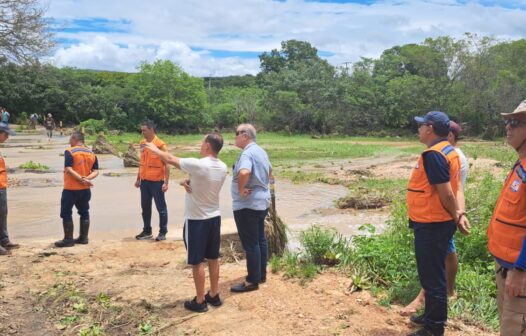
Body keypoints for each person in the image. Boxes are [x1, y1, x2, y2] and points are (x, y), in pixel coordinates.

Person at [145, 133, 227, 313]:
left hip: (197, 220)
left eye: (202, 142)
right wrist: (186, 182)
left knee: (197, 261)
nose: (200, 144)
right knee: (213, 258)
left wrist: (154, 149)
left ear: (207, 145)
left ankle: (199, 301)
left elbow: (170, 158)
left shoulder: (198, 164)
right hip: (214, 217)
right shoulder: (222, 167)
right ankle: (214, 294)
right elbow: (206, 183)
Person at [406, 111, 470, 336]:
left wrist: (457, 215)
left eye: (421, 126)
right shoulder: (448, 151)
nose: (419, 129)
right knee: (431, 274)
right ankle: (430, 316)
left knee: (433, 278)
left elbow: (447, 194)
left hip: (432, 224)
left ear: (430, 128)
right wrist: (457, 215)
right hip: (434, 223)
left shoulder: (434, 155)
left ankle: (434, 328)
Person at [487, 100, 526, 335]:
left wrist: (520, 269)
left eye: (515, 122)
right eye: (507, 122)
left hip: (519, 274)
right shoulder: (521, 164)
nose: (507, 127)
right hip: (506, 268)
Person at [230, 123, 272, 293]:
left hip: (248, 205)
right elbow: (270, 172)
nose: (235, 137)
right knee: (260, 239)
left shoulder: (247, 153)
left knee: (251, 243)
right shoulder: (261, 151)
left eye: (236, 133)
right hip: (262, 202)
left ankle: (252, 281)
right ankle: (261, 274)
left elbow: (244, 172)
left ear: (245, 135)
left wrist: (241, 189)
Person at [55, 131, 99, 247]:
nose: (69, 141)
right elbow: (96, 171)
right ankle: (84, 238)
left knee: (66, 213)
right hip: (85, 189)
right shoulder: (91, 153)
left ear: (75, 139)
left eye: (70, 139)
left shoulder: (70, 151)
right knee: (84, 212)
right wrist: (86, 179)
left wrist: (80, 179)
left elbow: (68, 168)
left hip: (71, 188)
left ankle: (68, 240)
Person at [135, 120, 170, 241]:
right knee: (145, 208)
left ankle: (163, 232)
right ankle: (147, 230)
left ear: (151, 130)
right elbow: (142, 162)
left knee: (161, 208)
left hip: (157, 182)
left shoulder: (160, 145)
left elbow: (167, 164)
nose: (142, 132)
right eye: (142, 130)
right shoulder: (142, 143)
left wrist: (166, 182)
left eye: (144, 130)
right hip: (144, 182)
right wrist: (138, 179)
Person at [0, 123, 18, 255]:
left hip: (2, 185)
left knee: (2, 213)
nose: (7, 137)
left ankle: (4, 240)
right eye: (6, 135)